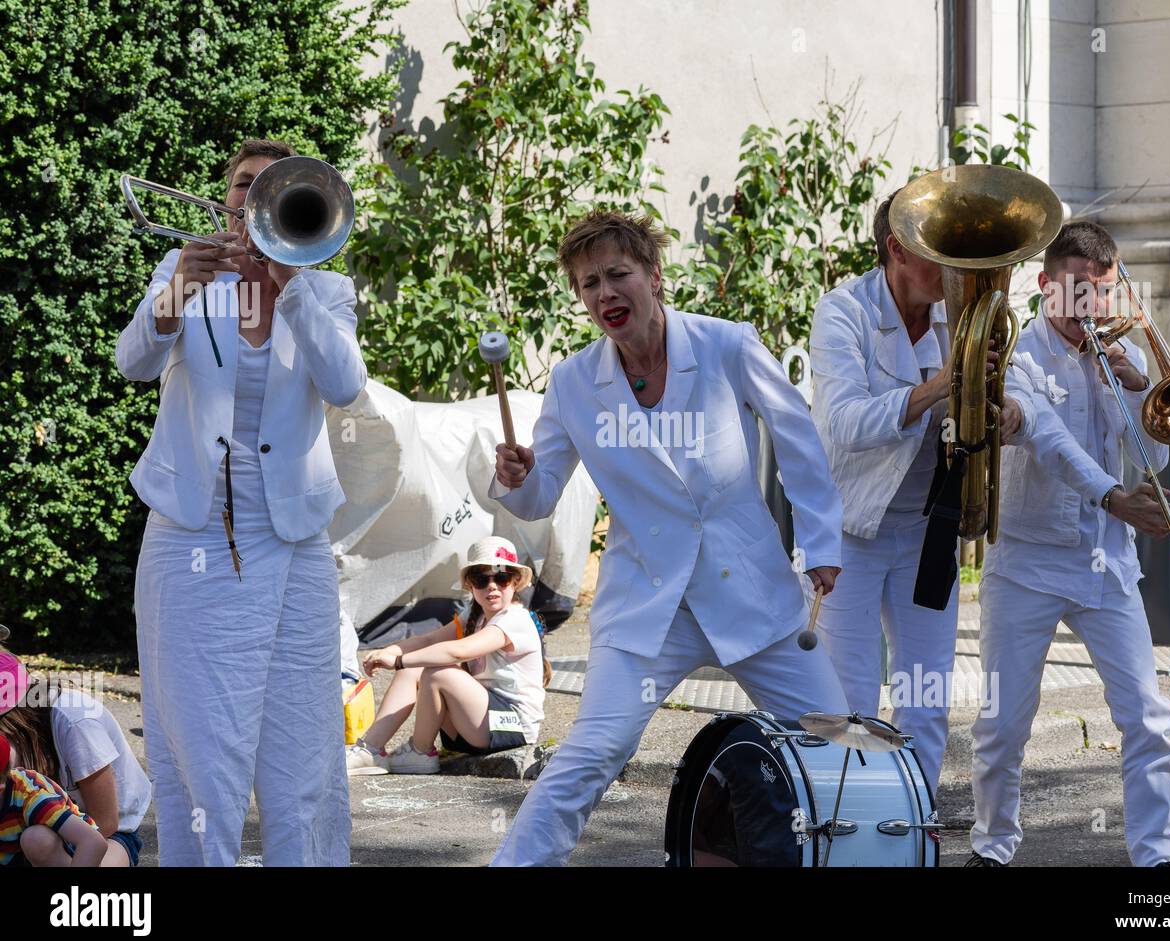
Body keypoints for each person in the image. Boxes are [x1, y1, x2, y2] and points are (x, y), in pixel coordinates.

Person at [489, 209, 849, 866]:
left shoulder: (726, 345)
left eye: (618, 274)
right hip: (648, 609)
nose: (604, 294)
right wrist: (514, 476)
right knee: (591, 753)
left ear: (655, 276)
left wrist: (821, 543)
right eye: (588, 283)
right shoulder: (573, 383)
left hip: (753, 595)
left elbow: (797, 438)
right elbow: (537, 495)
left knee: (834, 749)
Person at [116, 138, 367, 866]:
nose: (252, 197)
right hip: (194, 532)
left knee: (304, 750)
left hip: (295, 538)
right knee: (203, 748)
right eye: (242, 185)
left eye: (273, 188)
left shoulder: (325, 287)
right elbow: (132, 364)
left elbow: (346, 385)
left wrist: (291, 285)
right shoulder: (186, 269)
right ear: (225, 199)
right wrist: (173, 297)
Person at [967, 220, 1170, 867]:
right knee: (1004, 724)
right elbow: (1049, 442)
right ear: (1046, 286)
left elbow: (1156, 463)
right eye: (1077, 292)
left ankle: (1157, 859)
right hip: (1027, 564)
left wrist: (1133, 398)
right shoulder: (1018, 357)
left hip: (1106, 565)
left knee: (1147, 717)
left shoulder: (1128, 361)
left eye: (1102, 292)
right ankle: (994, 844)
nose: (1091, 307)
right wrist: (1115, 498)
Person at [809, 190, 1036, 791]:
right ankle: (846, 834)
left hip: (928, 528)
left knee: (926, 699)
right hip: (849, 532)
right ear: (897, 250)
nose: (960, 271)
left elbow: (986, 414)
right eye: (943, 253)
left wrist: (1003, 412)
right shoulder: (842, 311)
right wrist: (941, 386)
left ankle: (914, 832)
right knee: (850, 703)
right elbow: (844, 425)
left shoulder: (955, 319)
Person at [347, 536, 549, 774]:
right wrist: (393, 650)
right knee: (415, 667)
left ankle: (420, 752)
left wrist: (399, 661)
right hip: (479, 723)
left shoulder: (515, 618)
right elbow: (430, 640)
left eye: (502, 578)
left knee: (438, 671)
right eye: (481, 579)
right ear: (470, 586)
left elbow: (458, 651)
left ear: (515, 582)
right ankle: (369, 749)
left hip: (511, 726)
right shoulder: (476, 616)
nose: (492, 586)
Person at [0, 648, 152, 866]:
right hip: (41, 824)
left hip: (107, 835)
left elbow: (106, 822)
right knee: (35, 838)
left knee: (37, 840)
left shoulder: (76, 722)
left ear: (11, 717)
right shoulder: (26, 731)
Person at [1, 734, 107, 867]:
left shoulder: (35, 798)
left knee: (36, 839)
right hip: (14, 851)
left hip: (72, 851)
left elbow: (93, 842)